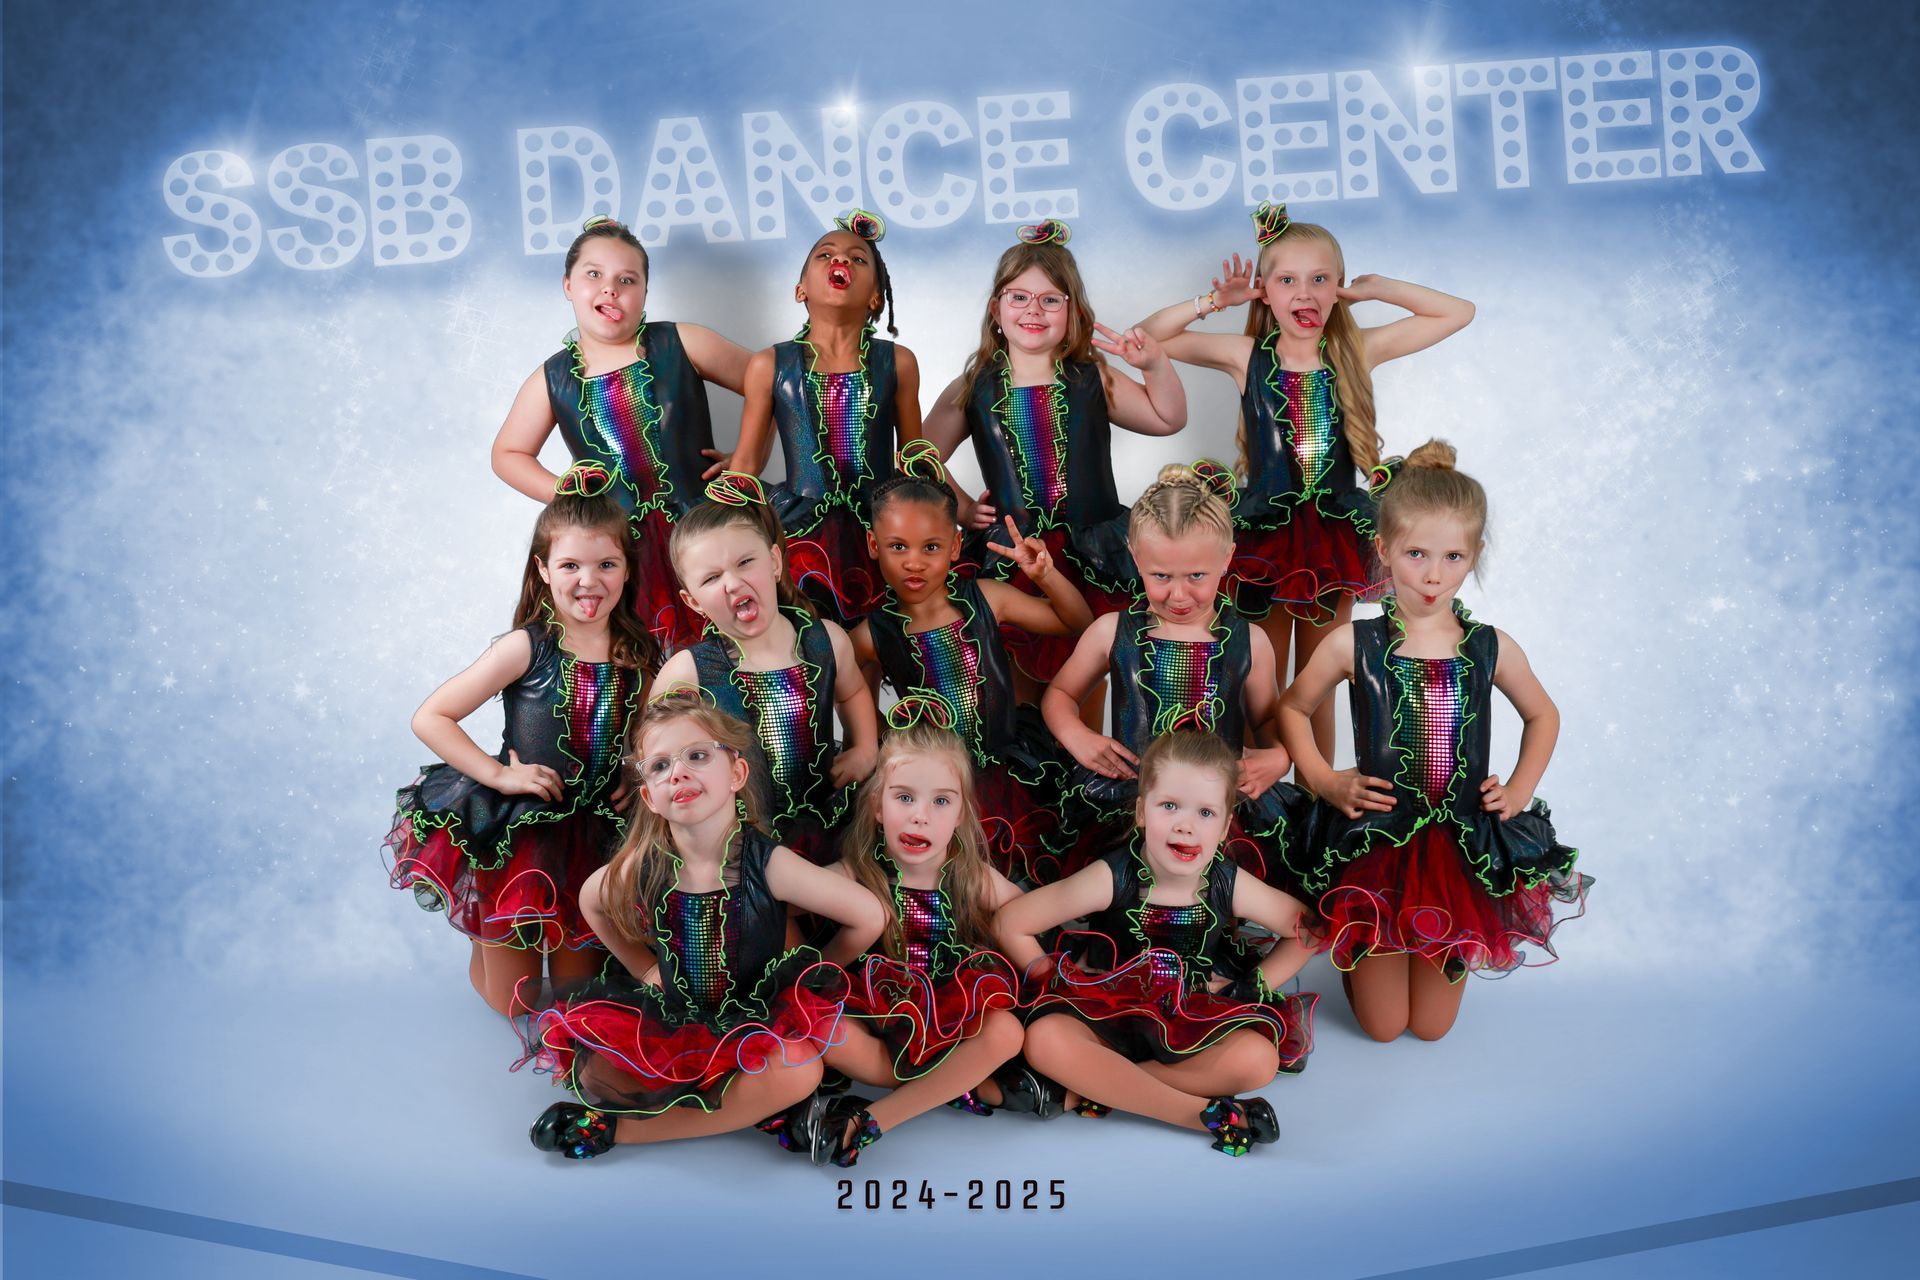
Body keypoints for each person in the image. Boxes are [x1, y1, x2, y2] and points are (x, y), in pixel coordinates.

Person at [1277, 441, 1589, 1043]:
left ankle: (1414, 952)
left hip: (1459, 845)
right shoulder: (1353, 642)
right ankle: (1361, 954)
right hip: (1379, 838)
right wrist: (1321, 776)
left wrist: (1520, 790)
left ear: (1473, 558)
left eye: (1452, 556)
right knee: (1386, 1027)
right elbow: (1292, 706)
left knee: (1432, 1028)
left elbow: (1543, 716)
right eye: (1416, 553)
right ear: (1384, 549)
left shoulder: (1490, 646)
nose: (1432, 574)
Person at [524, 692, 885, 1158]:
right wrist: (641, 968)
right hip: (678, 1018)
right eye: (658, 767)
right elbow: (593, 900)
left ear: (736, 773)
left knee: (801, 1069)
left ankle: (620, 1132)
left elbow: (868, 916)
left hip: (754, 1023)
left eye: (697, 756)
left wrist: (808, 981)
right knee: (599, 1074)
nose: (677, 773)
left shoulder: (767, 864)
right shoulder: (647, 864)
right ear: (650, 799)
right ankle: (760, 1111)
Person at [385, 464, 657, 1014]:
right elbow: (431, 716)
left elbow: (655, 734)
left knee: (584, 994)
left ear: (628, 570)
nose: (589, 580)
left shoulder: (643, 654)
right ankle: (484, 940)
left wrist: (639, 773)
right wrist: (498, 774)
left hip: (598, 835)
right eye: (571, 565)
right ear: (543, 568)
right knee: (517, 1003)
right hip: (522, 833)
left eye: (607, 564)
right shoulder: (525, 647)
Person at [492, 217, 752, 648]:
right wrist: (568, 496)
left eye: (626, 279)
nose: (610, 289)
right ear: (568, 285)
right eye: (593, 274)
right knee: (644, 663)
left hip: (705, 533)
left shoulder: (682, 342)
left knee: (728, 650)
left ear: (645, 291)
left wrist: (746, 459)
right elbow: (508, 454)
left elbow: (774, 384)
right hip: (623, 551)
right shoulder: (553, 378)